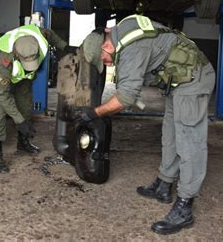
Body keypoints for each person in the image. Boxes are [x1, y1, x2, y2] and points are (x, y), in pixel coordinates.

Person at [77, 14, 215, 235]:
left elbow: (125, 98)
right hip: (177, 81)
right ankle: (163, 184)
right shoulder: (122, 30)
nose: (108, 64)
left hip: (194, 79)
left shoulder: (131, 50)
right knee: (170, 135)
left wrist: (94, 113)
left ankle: (185, 206)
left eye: (104, 60)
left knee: (189, 141)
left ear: (106, 45)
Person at [0, 24, 76, 173]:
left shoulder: (40, 37)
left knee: (25, 105)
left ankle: (22, 142)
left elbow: (50, 34)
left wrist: (64, 46)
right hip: (3, 80)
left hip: (23, 78)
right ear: (17, 55)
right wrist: (20, 122)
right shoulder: (4, 59)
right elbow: (3, 96)